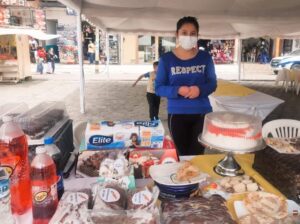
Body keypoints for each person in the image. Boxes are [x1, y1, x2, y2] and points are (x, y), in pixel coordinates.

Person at [155, 16, 217, 156]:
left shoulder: (205, 57)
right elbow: (158, 87)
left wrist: (199, 90)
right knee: (181, 155)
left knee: (197, 154)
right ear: (177, 34)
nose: (188, 36)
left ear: (197, 36)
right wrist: (177, 90)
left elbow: (212, 83)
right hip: (177, 114)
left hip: (202, 113)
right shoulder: (166, 59)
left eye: (192, 33)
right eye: (184, 32)